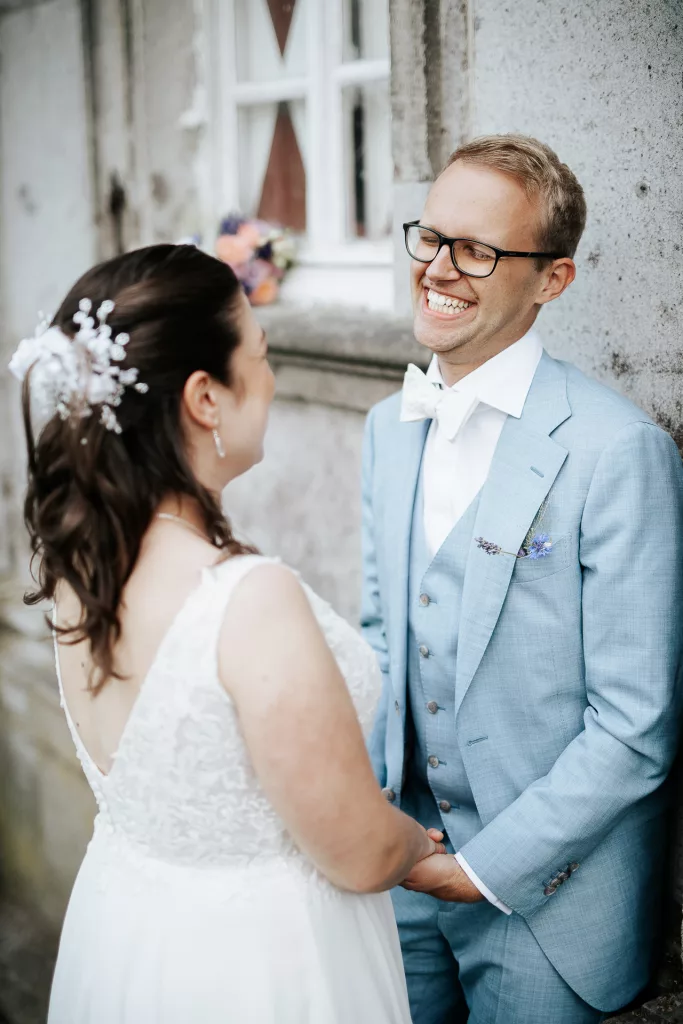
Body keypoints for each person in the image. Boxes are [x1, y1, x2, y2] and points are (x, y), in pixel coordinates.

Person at [10, 244, 445, 1024]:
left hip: (131, 937)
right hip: (262, 968)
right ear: (205, 397)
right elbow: (356, 850)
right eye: (262, 354)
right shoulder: (248, 601)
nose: (271, 380)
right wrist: (414, 843)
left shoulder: (83, 571)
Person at [361, 134, 683, 1024]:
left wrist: (484, 870)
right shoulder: (389, 426)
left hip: (548, 904)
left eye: (477, 249)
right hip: (399, 872)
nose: (438, 269)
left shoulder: (617, 451)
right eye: (429, 237)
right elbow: (382, 635)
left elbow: (634, 725)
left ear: (551, 280)